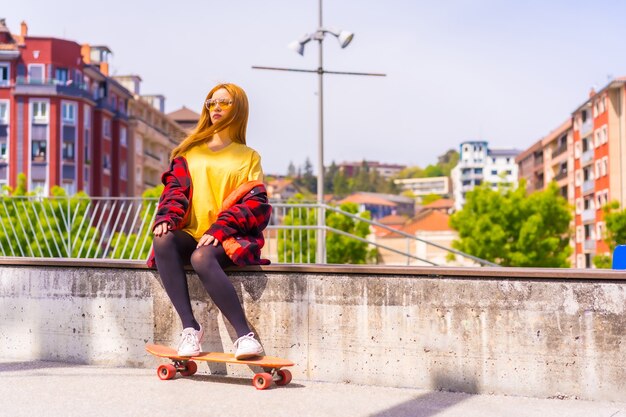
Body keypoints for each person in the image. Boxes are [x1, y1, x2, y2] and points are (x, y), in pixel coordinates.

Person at [146, 83, 272, 359]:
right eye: (211, 102)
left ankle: (245, 336)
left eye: (224, 102)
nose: (215, 107)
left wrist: (220, 228)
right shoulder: (189, 152)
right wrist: (166, 217)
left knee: (202, 258)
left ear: (237, 108)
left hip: (227, 238)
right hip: (191, 235)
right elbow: (174, 191)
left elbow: (255, 204)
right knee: (162, 238)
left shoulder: (248, 156)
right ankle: (190, 329)